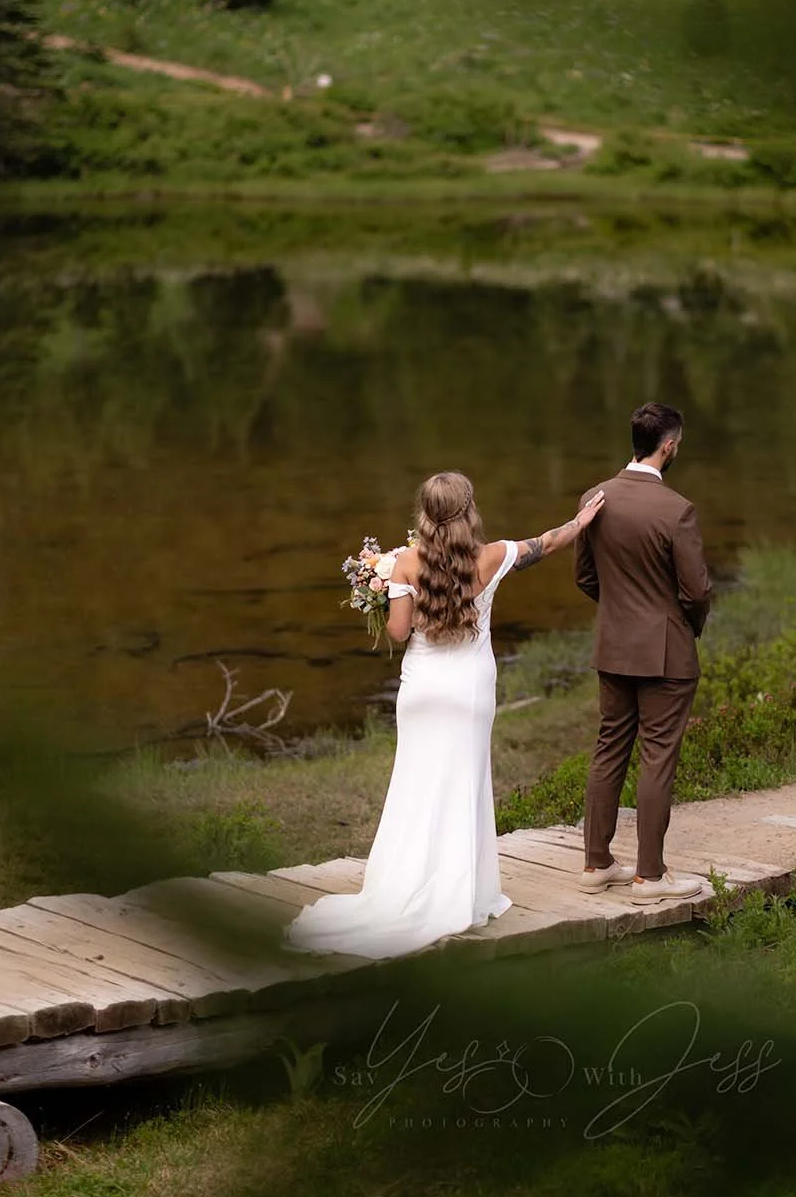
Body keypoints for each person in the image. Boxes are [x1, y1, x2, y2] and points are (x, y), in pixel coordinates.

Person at [284, 470, 605, 959]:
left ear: (424, 514)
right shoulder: (493, 556)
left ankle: (405, 883)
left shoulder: (406, 564)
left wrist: (386, 586)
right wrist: (581, 521)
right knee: (465, 783)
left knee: (414, 784)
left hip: (423, 689)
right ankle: (464, 893)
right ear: (469, 509)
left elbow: (397, 633)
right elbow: (546, 543)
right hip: (471, 689)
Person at [574, 402, 712, 903]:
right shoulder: (677, 511)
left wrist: (619, 615)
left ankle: (596, 863)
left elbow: (586, 577)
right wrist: (684, 626)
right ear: (669, 445)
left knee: (609, 747)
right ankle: (649, 877)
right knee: (657, 758)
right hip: (666, 654)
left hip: (612, 647)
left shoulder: (595, 498)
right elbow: (696, 592)